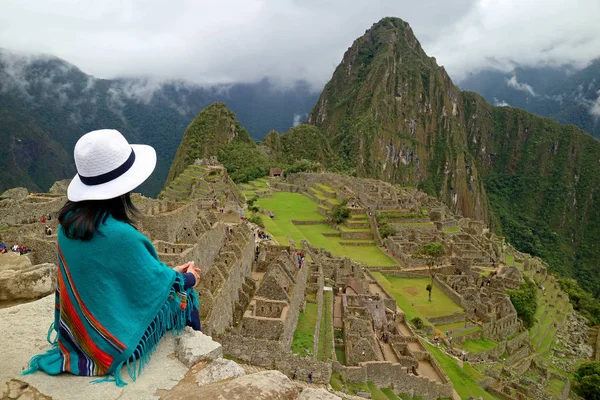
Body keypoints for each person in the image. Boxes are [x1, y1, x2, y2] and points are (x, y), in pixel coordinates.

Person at [23, 129, 201, 387]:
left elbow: (130, 275)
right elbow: (152, 283)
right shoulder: (121, 235)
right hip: (109, 343)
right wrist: (188, 278)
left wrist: (169, 274)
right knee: (185, 298)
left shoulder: (67, 227)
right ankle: (194, 370)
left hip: (78, 334)